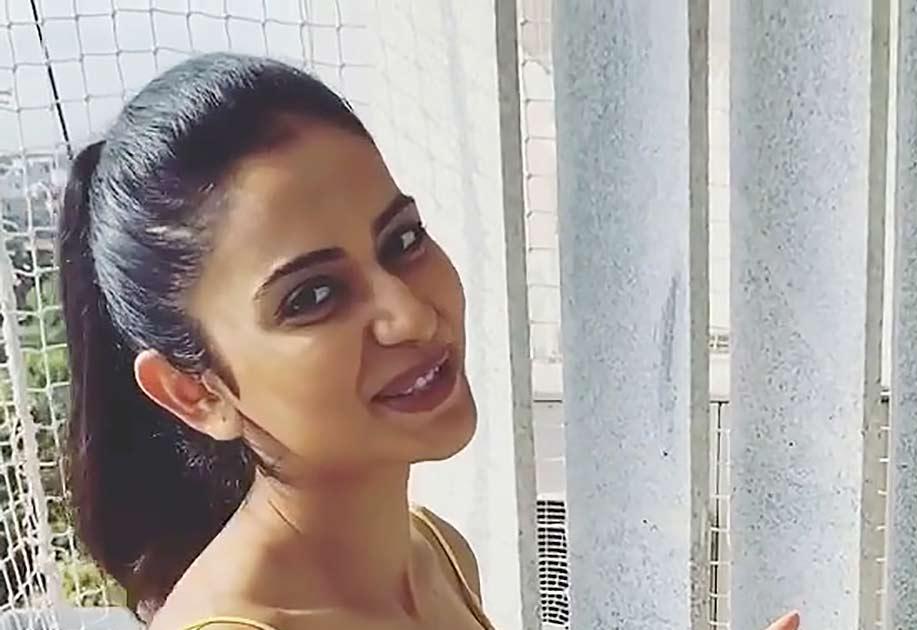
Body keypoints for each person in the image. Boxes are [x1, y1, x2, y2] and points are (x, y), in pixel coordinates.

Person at [58, 52, 801, 630]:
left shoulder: (435, 552)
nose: (411, 316)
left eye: (403, 241)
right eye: (312, 297)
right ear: (194, 392)